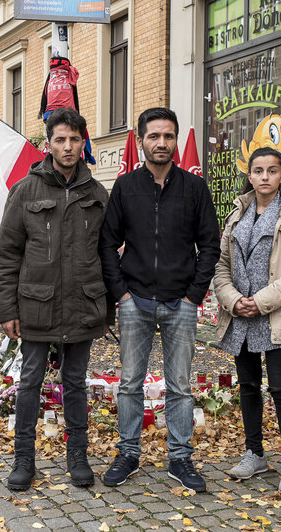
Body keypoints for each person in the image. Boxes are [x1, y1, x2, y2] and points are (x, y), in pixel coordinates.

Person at [99, 107, 221, 492]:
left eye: (168, 136)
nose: (162, 143)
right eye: (154, 136)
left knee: (180, 385)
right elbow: (107, 244)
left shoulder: (194, 188)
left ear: (175, 140)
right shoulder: (125, 187)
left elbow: (210, 246)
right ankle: (128, 452)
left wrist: (193, 296)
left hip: (179, 303)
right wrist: (121, 294)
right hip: (135, 300)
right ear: (141, 140)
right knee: (131, 383)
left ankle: (181, 458)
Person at [0, 107, 109, 491]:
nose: (68, 146)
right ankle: (23, 459)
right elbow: (7, 254)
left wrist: (108, 307)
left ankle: (78, 455)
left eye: (75, 139)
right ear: (49, 144)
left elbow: (108, 254)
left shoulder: (97, 194)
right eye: (61, 139)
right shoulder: (25, 191)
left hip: (82, 305)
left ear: (83, 142)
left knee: (75, 382)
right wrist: (6, 308)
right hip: (36, 306)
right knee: (30, 381)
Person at [214, 146, 281, 497]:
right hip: (241, 315)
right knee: (247, 386)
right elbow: (220, 265)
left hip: (276, 314)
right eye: (258, 170)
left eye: (272, 171)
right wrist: (233, 301)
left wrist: (260, 302)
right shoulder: (237, 212)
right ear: (250, 175)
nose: (264, 177)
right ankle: (255, 453)